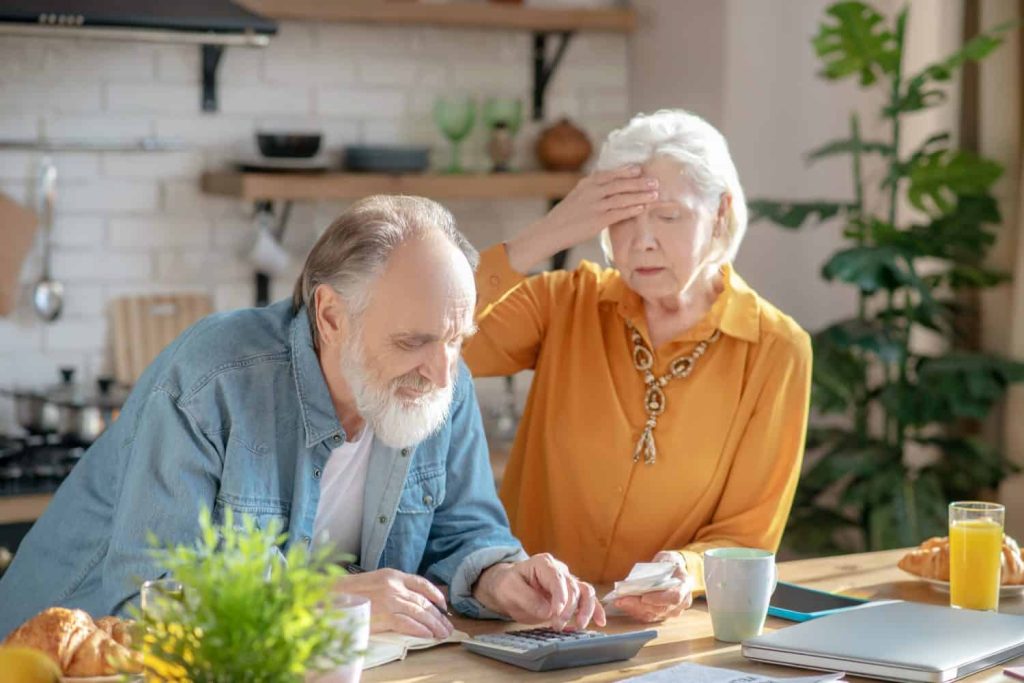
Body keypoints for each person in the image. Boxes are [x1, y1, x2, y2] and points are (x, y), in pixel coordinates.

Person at [0, 195, 605, 640]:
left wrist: (500, 575)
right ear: (331, 315)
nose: (443, 372)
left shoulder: (443, 380)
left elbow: (462, 530)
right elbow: (145, 599)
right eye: (413, 342)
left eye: (457, 339)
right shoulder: (213, 379)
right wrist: (329, 601)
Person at [464, 109, 812, 623]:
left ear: (721, 212)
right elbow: (432, 335)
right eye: (622, 217)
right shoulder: (564, 301)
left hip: (653, 637)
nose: (641, 241)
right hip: (524, 620)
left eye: (668, 216)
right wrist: (547, 233)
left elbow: (745, 535)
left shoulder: (776, 349)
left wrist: (685, 570)